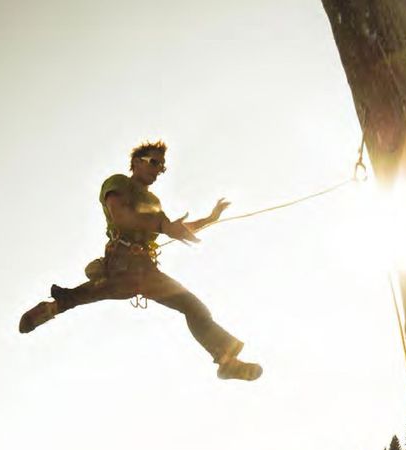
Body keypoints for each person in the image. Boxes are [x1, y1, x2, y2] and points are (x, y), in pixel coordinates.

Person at [18, 141, 262, 381]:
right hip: (123, 263)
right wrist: (164, 226)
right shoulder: (118, 183)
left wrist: (211, 218)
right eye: (153, 162)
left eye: (162, 167)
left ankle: (227, 362)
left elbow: (173, 227)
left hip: (145, 272)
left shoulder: (153, 202)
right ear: (135, 163)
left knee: (193, 307)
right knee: (103, 290)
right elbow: (122, 216)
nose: (158, 170)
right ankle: (53, 306)